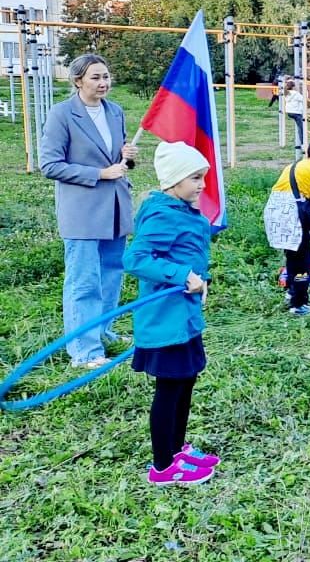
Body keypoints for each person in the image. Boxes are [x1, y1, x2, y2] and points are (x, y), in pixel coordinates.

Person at [123, 141, 219, 486]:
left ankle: (177, 449)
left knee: (186, 380)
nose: (202, 185)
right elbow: (135, 259)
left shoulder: (181, 210)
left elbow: (186, 254)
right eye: (195, 178)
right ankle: (163, 467)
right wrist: (182, 275)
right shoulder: (163, 214)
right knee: (170, 387)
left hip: (185, 316)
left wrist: (198, 278)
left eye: (203, 177)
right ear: (174, 180)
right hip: (166, 319)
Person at [38, 54, 139, 369]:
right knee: (84, 281)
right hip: (82, 213)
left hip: (115, 209)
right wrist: (99, 174)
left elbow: (118, 162)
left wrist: (128, 157)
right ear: (78, 80)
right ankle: (84, 351)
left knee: (111, 276)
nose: (103, 83)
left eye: (106, 76)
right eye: (96, 77)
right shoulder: (62, 114)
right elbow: (50, 165)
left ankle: (103, 331)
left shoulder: (115, 111)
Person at [263, 137, 310, 315]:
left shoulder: (293, 166)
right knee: (303, 263)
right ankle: (299, 304)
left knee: (292, 258)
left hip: (277, 215)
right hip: (293, 218)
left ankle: (291, 293)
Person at [283, 80, 306, 156]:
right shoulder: (296, 93)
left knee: (299, 126)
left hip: (289, 112)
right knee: (301, 129)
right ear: (293, 86)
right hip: (296, 113)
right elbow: (304, 99)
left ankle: (300, 143)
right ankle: (303, 145)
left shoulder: (286, 92)